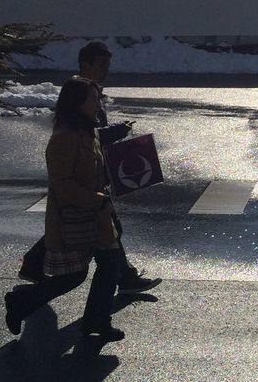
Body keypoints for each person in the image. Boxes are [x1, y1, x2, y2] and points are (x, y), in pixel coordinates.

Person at [18, 41, 159, 293]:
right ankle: (120, 281)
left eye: (108, 64)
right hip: (83, 178)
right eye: (101, 64)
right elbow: (85, 135)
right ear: (86, 65)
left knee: (102, 229)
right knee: (104, 231)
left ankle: (35, 264)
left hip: (93, 174)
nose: (106, 70)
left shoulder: (90, 92)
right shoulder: (77, 94)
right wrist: (116, 131)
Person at [5, 77, 126, 345]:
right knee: (73, 276)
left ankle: (96, 321)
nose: (98, 104)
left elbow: (97, 168)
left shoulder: (88, 130)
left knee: (110, 263)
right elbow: (63, 186)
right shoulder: (64, 138)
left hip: (97, 214)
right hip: (75, 216)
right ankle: (20, 300)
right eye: (93, 99)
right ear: (77, 103)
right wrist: (96, 199)